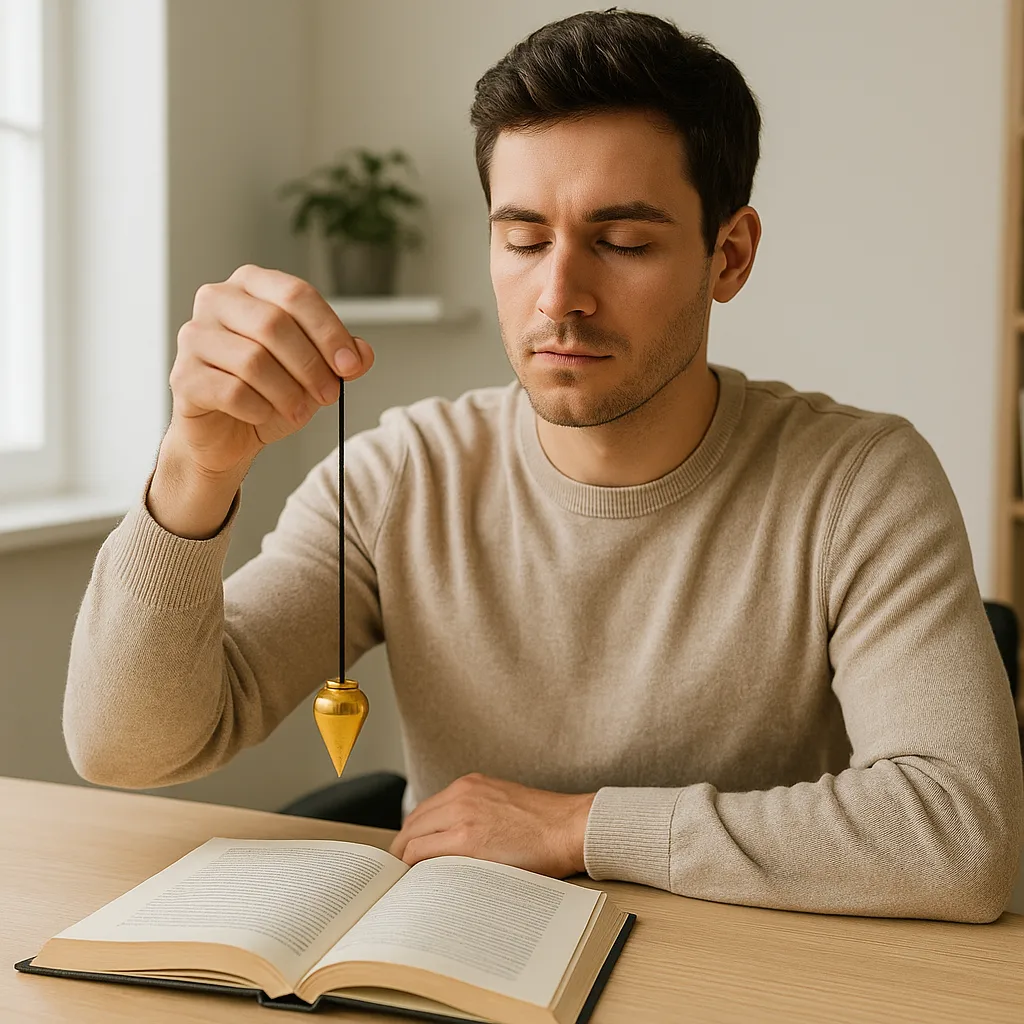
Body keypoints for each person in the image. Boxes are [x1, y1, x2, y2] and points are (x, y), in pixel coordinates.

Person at [64, 9, 1022, 923]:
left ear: (729, 255)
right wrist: (194, 466)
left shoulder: (860, 481)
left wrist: (578, 826)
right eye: (522, 238)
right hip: (458, 970)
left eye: (623, 242)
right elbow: (127, 747)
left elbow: (964, 833)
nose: (559, 295)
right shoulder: (402, 476)